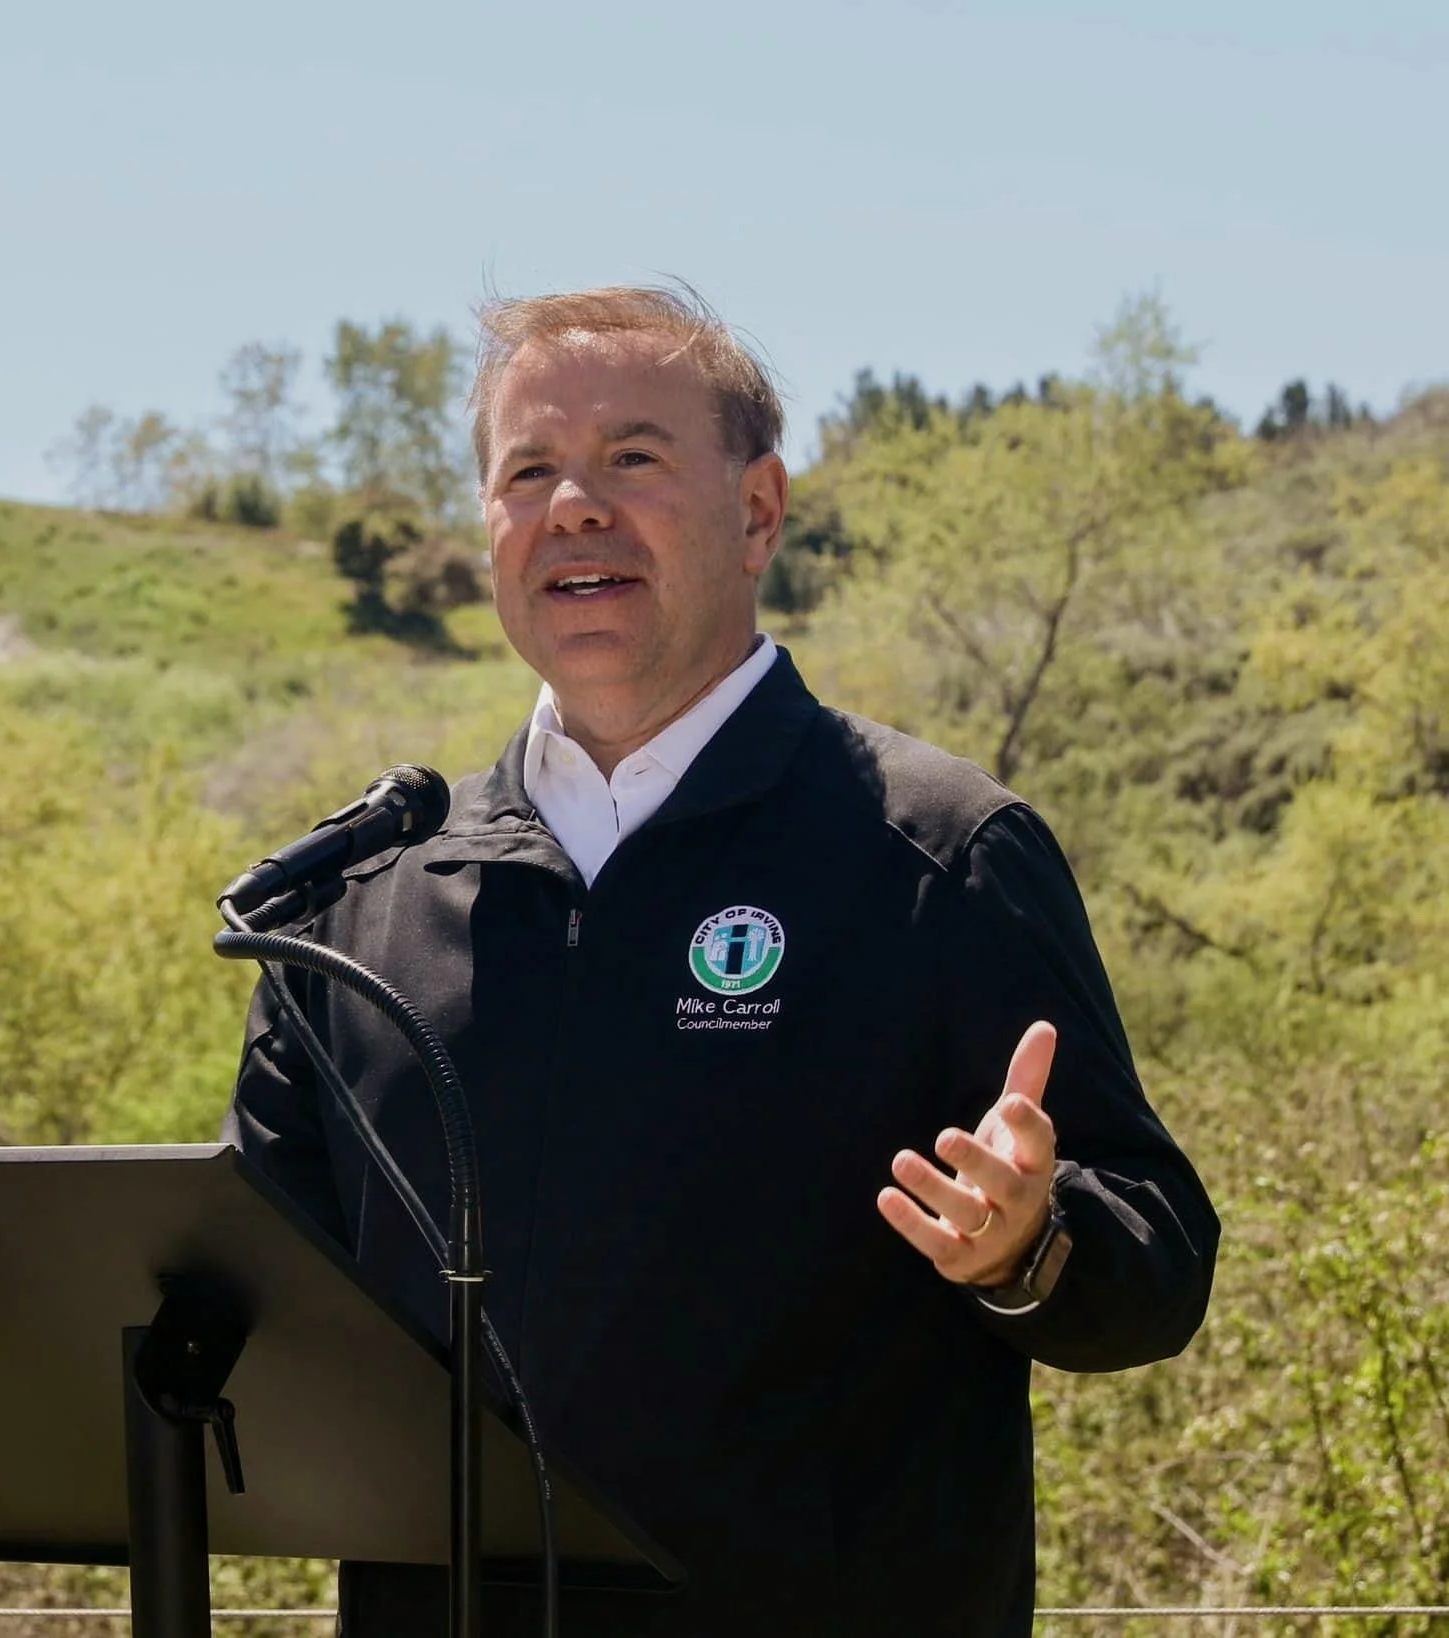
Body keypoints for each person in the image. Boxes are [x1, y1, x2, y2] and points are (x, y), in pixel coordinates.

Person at [225, 286, 1219, 1637]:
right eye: (530, 472)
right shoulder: (360, 902)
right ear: (488, 534)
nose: (574, 505)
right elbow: (238, 1298)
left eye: (632, 457)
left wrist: (1029, 1243)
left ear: (760, 512)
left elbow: (1156, 1262)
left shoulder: (937, 853)